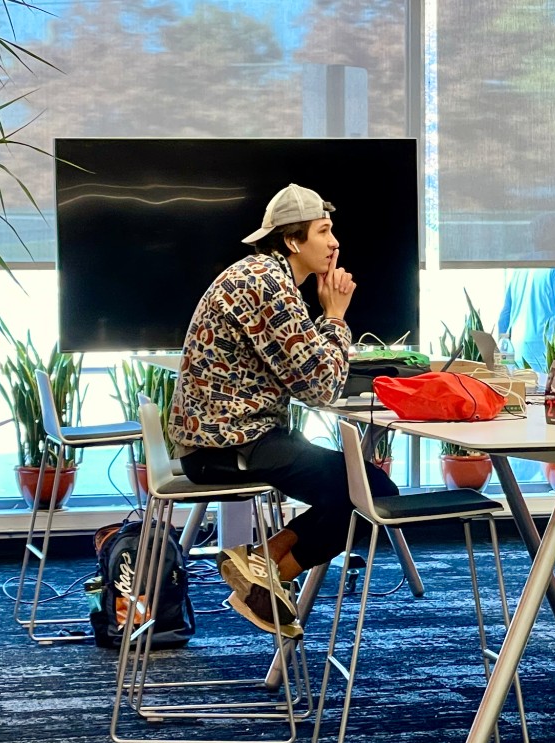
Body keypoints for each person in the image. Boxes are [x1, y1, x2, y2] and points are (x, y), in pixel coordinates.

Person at [168, 183, 398, 631]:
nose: (334, 243)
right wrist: (334, 315)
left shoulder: (261, 276)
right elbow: (320, 388)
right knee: (375, 494)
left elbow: (301, 370)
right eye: (323, 231)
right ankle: (265, 568)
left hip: (226, 438)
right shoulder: (268, 286)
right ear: (293, 240)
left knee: (357, 489)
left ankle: (263, 569)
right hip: (231, 446)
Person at [497, 213, 555, 373]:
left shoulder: (521, 266)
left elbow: (504, 317)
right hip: (546, 358)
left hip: (518, 355)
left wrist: (505, 361)